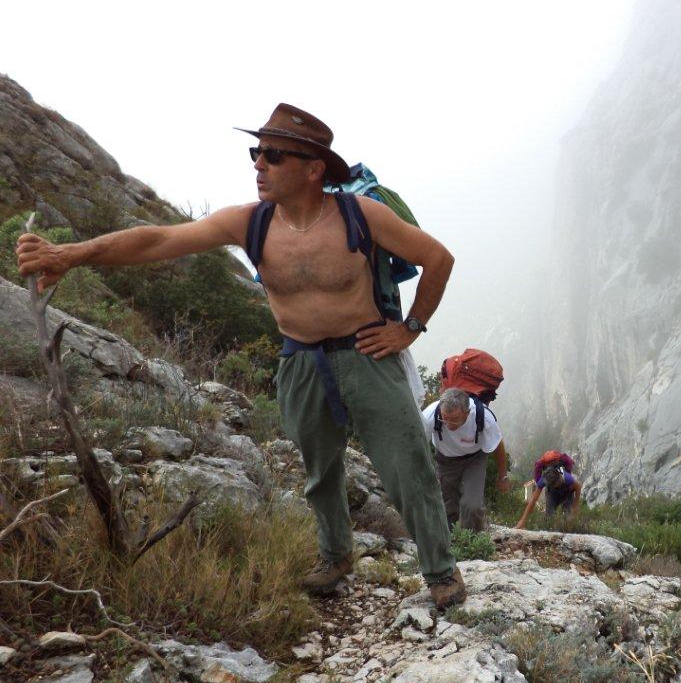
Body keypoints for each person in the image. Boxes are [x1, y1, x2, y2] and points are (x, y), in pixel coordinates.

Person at [17, 103, 466, 608]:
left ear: (314, 168)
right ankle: (336, 557)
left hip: (366, 352)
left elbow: (438, 258)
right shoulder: (250, 223)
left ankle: (440, 571)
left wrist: (408, 330)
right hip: (300, 362)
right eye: (257, 153)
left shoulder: (358, 215)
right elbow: (159, 240)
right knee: (321, 472)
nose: (259, 165)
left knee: (407, 465)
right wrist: (70, 254)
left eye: (274, 156)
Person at [421, 388, 508, 532]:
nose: (448, 424)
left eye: (454, 419)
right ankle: (449, 540)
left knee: (472, 505)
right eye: (444, 418)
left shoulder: (483, 417)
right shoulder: (431, 414)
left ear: (467, 413)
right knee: (447, 504)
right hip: (445, 460)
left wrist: (503, 476)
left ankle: (471, 541)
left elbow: (497, 445)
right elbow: (416, 442)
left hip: (474, 459)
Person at [515, 462, 582, 529]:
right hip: (552, 494)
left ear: (559, 478)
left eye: (557, 483)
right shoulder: (544, 481)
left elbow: (578, 488)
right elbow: (533, 500)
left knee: (568, 516)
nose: (556, 485)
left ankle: (567, 530)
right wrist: (522, 521)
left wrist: (575, 506)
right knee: (550, 517)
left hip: (568, 493)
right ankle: (551, 531)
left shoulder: (567, 478)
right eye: (553, 485)